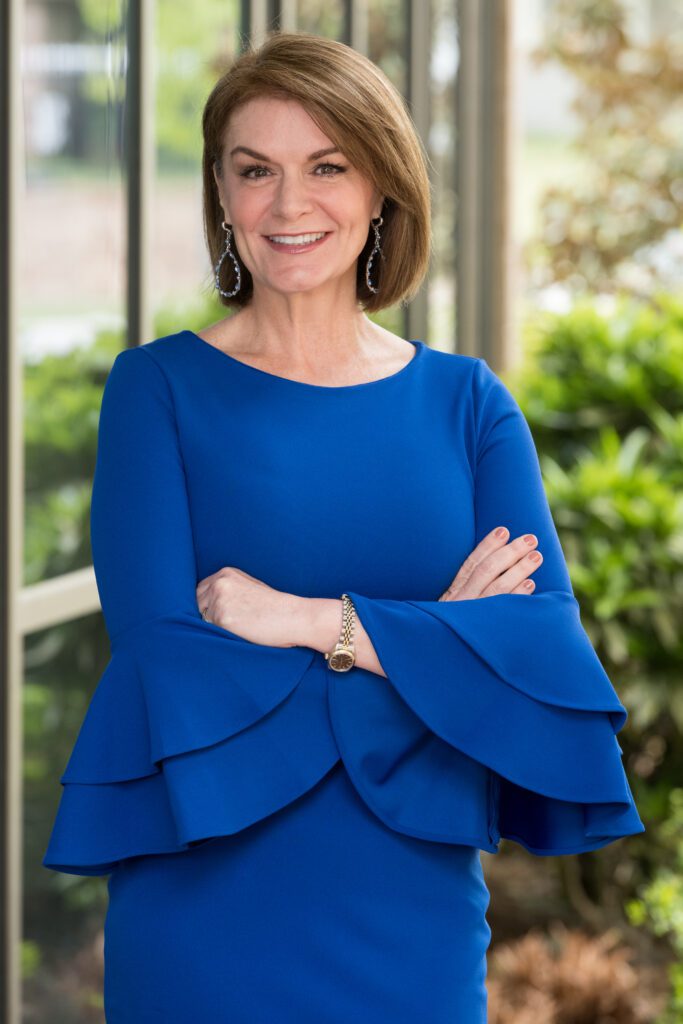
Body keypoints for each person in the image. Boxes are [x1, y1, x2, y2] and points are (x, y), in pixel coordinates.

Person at [43, 30, 645, 1024]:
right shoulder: (157, 391)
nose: (287, 205)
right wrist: (434, 647)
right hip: (207, 914)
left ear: (380, 192)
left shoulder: (466, 404)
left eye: (326, 166)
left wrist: (314, 623)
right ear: (221, 195)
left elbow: (538, 658)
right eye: (254, 170)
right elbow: (165, 666)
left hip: (410, 914)